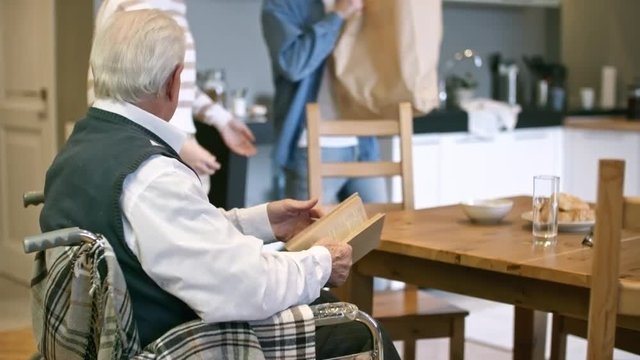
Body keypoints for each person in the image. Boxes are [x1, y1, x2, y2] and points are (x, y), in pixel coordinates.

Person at [40, 9, 399, 359]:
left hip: (114, 336)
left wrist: (265, 222)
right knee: (361, 327)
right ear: (174, 80)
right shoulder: (152, 174)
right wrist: (321, 262)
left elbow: (174, 237)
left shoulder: (80, 149)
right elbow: (247, 287)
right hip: (170, 343)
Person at [88, 0, 257, 193]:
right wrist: (174, 144)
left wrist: (222, 119)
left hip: (169, 139)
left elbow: (173, 81)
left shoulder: (174, 5)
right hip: (150, 146)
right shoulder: (132, 5)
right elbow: (109, 88)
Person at [261, 0, 387, 204]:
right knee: (312, 234)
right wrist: (336, 16)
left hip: (364, 142)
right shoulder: (281, 4)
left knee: (382, 229)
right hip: (314, 146)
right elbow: (293, 65)